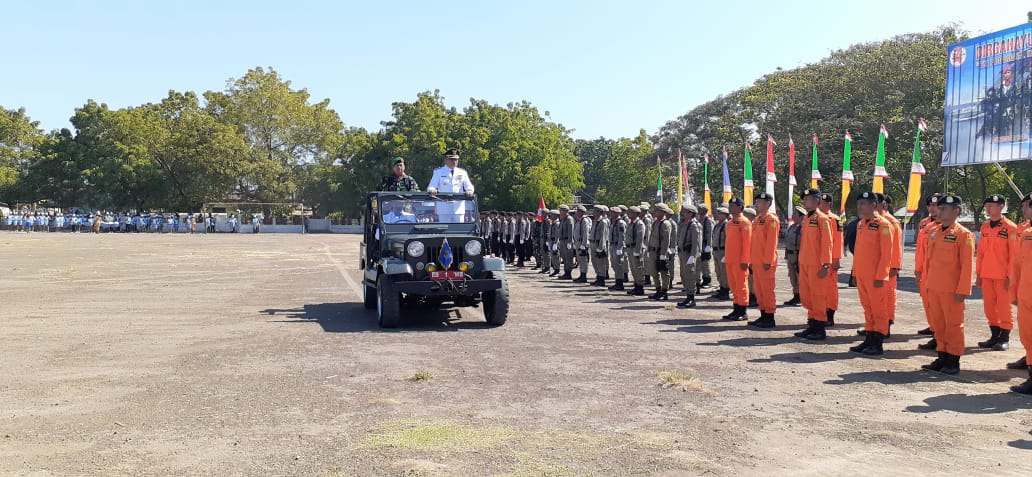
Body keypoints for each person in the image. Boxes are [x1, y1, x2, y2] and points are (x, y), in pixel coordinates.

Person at [920, 194, 974, 375]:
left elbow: (967, 266)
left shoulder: (963, 234)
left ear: (956, 211)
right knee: (939, 324)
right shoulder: (935, 233)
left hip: (952, 290)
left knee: (953, 325)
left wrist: (963, 290)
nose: (939, 211)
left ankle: (953, 359)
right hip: (934, 287)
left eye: (943, 209)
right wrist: (927, 283)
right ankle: (942, 355)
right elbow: (929, 262)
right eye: (938, 208)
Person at [849, 191, 895, 355]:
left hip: (876, 276)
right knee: (868, 308)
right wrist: (855, 273)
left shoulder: (883, 225)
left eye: (863, 203)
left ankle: (877, 342)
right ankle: (869, 338)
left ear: (873, 205)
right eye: (859, 203)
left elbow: (886, 253)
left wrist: (881, 276)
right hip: (862, 274)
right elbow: (859, 251)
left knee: (879, 310)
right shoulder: (861, 223)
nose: (860, 206)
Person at [975, 194, 1017, 352]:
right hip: (986, 274)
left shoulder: (1010, 228)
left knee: (1004, 307)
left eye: (991, 206)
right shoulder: (985, 227)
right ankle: (994, 336)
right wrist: (978, 274)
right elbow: (981, 253)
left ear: (1001, 207)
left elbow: (1013, 255)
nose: (988, 208)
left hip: (1002, 276)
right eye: (986, 206)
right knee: (989, 307)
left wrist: (1010, 276)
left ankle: (1004, 338)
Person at [793, 189, 834, 341]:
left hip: (817, 265)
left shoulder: (823, 219)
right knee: (807, 296)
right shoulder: (807, 219)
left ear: (817, 200)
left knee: (817, 296)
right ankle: (812, 324)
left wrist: (825, 265)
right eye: (804, 199)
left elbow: (827, 243)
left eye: (808, 199)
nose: (805, 202)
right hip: (805, 263)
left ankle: (819, 327)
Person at [1008, 193, 1032, 393]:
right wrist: (1014, 292)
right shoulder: (1026, 234)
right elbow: (1017, 265)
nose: (1023, 210)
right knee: (1027, 335)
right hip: (1026, 293)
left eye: (1027, 206)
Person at [747, 192, 780, 328]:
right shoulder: (758, 219)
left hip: (766, 262)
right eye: (757, 201)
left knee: (767, 290)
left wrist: (768, 261)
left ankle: (769, 317)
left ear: (767, 204)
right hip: (756, 260)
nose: (757, 204)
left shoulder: (771, 220)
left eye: (760, 202)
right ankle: (763, 315)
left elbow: (771, 243)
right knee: (759, 290)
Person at [914, 194, 942, 348]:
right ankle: (933, 329)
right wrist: (918, 270)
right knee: (927, 303)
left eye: (936, 205)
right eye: (930, 205)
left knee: (938, 306)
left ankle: (939, 335)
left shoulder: (947, 227)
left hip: (938, 273)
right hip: (924, 270)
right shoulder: (924, 224)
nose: (933, 208)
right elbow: (920, 250)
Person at [721, 198, 752, 321]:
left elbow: (747, 243)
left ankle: (742, 311)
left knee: (741, 285)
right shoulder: (730, 222)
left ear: (740, 207)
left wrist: (745, 260)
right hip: (730, 259)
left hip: (740, 261)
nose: (730, 208)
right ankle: (736, 308)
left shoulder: (744, 222)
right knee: (733, 286)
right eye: (730, 206)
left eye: (733, 206)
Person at [818, 193, 843, 326]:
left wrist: (836, 258)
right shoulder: (815, 218)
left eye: (823, 202)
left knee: (830, 289)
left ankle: (829, 314)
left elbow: (837, 241)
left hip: (830, 260)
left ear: (829, 204)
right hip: (818, 260)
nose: (820, 205)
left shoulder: (834, 219)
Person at [646, 204, 676, 300]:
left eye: (657, 210)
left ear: (663, 212)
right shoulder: (655, 222)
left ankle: (664, 291)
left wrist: (663, 254)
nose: (655, 212)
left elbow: (666, 240)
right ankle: (658, 290)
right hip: (653, 251)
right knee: (654, 272)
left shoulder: (665, 223)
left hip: (661, 251)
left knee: (664, 272)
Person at [676, 205, 702, 308]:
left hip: (689, 253)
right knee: (684, 275)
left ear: (691, 213)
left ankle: (691, 298)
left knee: (690, 276)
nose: (682, 213)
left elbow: (696, 242)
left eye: (685, 212)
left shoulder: (694, 225)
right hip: (683, 253)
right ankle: (688, 296)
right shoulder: (683, 223)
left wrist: (693, 255)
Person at [782, 206, 805, 306]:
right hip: (790, 255)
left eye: (795, 214)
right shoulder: (792, 227)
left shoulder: (803, 228)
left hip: (798, 255)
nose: (792, 215)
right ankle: (795, 295)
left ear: (801, 216)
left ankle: (801, 297)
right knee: (792, 277)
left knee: (799, 276)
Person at [625, 206, 648, 296]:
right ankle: (636, 285)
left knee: (638, 269)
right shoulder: (631, 223)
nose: (628, 214)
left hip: (636, 249)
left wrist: (637, 250)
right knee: (633, 269)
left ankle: (640, 288)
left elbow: (640, 238)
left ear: (635, 214)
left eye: (630, 212)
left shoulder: (639, 224)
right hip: (631, 248)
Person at [710, 206, 731, 300]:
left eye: (720, 214)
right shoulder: (717, 225)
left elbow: (728, 240)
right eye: (717, 213)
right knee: (718, 271)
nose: (717, 215)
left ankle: (726, 290)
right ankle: (722, 288)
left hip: (723, 251)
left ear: (725, 215)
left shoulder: (726, 225)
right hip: (716, 251)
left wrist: (727, 254)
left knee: (724, 273)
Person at [608, 206, 629, 291]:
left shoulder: (621, 223)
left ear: (617, 214)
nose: (611, 214)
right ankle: (617, 281)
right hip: (613, 245)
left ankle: (620, 283)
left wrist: (620, 247)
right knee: (614, 264)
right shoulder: (613, 222)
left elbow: (622, 236)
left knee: (619, 265)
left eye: (613, 213)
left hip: (618, 246)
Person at [589, 205, 611, 286]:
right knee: (594, 262)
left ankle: (601, 279)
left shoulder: (603, 222)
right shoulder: (595, 221)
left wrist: (601, 248)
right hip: (593, 243)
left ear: (600, 212)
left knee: (600, 262)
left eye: (595, 211)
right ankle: (598, 277)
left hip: (599, 244)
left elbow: (603, 236)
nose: (593, 213)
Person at [573, 205, 593, 283]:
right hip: (578, 242)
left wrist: (584, 244)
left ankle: (584, 276)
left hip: (582, 243)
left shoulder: (584, 220)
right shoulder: (579, 220)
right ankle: (581, 274)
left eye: (579, 211)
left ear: (583, 212)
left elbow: (586, 233)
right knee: (580, 260)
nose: (577, 212)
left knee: (583, 260)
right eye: (577, 211)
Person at [698, 204, 715, 291]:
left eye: (700, 209)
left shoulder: (708, 220)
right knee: (701, 263)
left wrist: (709, 245)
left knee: (706, 264)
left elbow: (710, 234)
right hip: (700, 244)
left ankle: (708, 280)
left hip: (705, 244)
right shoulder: (699, 219)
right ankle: (704, 280)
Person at [556, 205, 576, 280]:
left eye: (561, 210)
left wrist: (569, 242)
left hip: (567, 240)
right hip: (562, 240)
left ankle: (568, 273)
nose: (560, 212)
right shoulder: (563, 219)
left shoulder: (569, 219)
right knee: (564, 257)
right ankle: (566, 272)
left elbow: (570, 231)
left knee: (568, 257)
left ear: (565, 211)